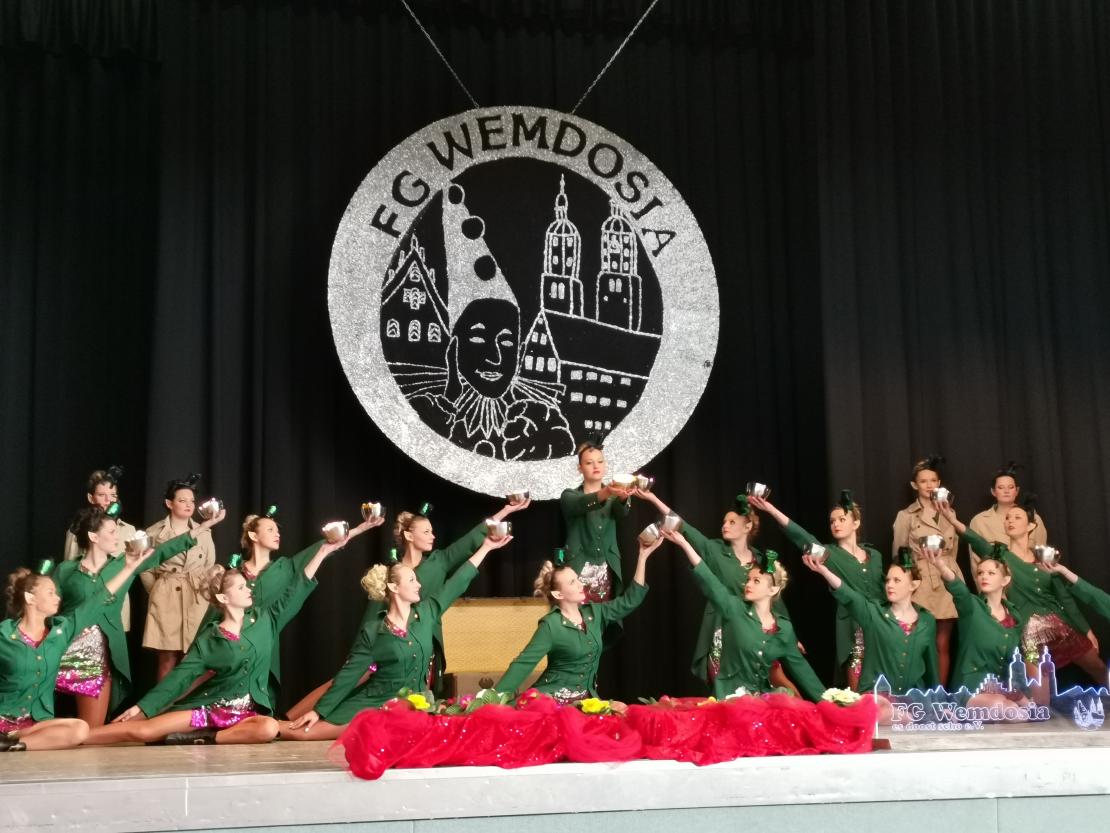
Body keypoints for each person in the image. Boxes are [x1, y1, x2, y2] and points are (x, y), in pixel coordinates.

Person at [83, 531, 353, 746]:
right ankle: (82, 738)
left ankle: (203, 739)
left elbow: (298, 588)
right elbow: (179, 679)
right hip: (207, 709)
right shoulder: (210, 639)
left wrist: (324, 550)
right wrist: (142, 707)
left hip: (245, 717)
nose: (248, 589)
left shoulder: (264, 620)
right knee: (142, 732)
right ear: (224, 599)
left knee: (269, 728)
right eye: (240, 587)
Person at [285, 498, 530, 720]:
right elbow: (374, 614)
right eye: (426, 531)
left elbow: (472, 540)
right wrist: (362, 650)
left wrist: (506, 510)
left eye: (432, 531)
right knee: (345, 681)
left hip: (422, 640)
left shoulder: (438, 562)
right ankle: (291, 719)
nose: (433, 536)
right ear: (409, 536)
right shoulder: (394, 573)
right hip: (386, 643)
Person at [53, 505, 226, 726]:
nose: (118, 536)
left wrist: (203, 527)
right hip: (63, 650)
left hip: (98, 657)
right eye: (112, 532)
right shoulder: (66, 570)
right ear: (93, 536)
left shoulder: (123, 564)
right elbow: (48, 610)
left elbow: (163, 551)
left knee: (91, 728)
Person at [639, 489, 793, 691]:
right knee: (724, 684)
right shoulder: (715, 550)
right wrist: (652, 498)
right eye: (724, 522)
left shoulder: (760, 560)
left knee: (763, 683)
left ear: (747, 526)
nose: (725, 526)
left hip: (753, 631)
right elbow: (683, 526)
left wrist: (790, 635)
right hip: (723, 626)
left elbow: (774, 597)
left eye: (732, 522)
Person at [935, 497, 1104, 681]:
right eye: (1007, 518)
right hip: (1027, 633)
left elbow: (1065, 599)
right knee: (1038, 681)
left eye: (1017, 517)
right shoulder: (1001, 555)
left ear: (1031, 526)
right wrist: (952, 521)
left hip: (1059, 627)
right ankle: (1039, 706)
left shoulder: (1043, 559)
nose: (1010, 521)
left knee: (1098, 668)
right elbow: (976, 541)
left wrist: (1086, 630)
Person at [0, 548, 153, 752]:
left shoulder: (60, 631)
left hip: (35, 726)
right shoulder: (4, 635)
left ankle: (14, 745)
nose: (57, 598)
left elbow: (97, 601)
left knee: (80, 729)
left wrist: (129, 568)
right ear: (30, 598)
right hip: (3, 718)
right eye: (50, 593)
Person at [494, 538, 661, 702]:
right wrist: (491, 699)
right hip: (550, 701)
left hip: (586, 701)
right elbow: (523, 664)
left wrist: (642, 556)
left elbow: (630, 601)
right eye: (573, 582)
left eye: (578, 579)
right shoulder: (551, 625)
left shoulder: (596, 613)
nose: (581, 584)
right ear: (558, 594)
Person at [664, 528, 823, 700]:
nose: (748, 584)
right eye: (748, 579)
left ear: (773, 589)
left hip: (762, 703)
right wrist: (685, 545)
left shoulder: (784, 628)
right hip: (729, 701)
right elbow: (710, 581)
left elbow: (804, 673)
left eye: (756, 581)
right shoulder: (734, 609)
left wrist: (832, 703)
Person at [751, 491, 883, 690]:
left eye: (841, 519)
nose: (836, 524)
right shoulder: (831, 554)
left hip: (881, 626)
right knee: (858, 689)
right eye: (832, 521)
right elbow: (800, 536)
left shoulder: (875, 555)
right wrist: (770, 509)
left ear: (855, 523)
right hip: (853, 630)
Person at [802, 548, 939, 700]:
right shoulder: (874, 613)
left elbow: (931, 670)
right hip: (877, 701)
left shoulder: (927, 621)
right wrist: (824, 572)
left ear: (913, 585)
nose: (889, 585)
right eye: (887, 580)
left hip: (914, 702)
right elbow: (848, 595)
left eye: (897, 580)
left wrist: (937, 704)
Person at [920, 548, 1025, 707]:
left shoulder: (1014, 616)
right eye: (981, 573)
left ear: (1005, 580)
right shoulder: (972, 606)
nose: (984, 576)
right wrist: (941, 566)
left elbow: (1015, 661)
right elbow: (958, 589)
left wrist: (1020, 693)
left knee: (1026, 708)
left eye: (991, 573)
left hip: (1001, 687)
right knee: (1001, 705)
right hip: (971, 687)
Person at [892, 455, 961, 685]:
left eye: (933, 480)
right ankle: (918, 692)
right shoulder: (906, 515)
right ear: (915, 485)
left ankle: (939, 694)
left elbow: (954, 550)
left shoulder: (949, 512)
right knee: (921, 641)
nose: (929, 485)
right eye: (923, 481)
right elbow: (899, 554)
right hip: (920, 583)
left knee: (943, 643)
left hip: (946, 581)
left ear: (939, 483)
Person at [141, 474, 217, 680]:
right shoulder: (154, 533)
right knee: (166, 658)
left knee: (193, 658)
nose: (188, 505)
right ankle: (160, 709)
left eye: (192, 501)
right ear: (169, 503)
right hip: (166, 596)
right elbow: (145, 567)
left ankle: (188, 710)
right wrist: (157, 590)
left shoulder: (204, 532)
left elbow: (209, 565)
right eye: (182, 500)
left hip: (196, 596)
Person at [62, 467, 137, 633]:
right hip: (85, 606)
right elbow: (68, 571)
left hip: (115, 605)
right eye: (102, 495)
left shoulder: (128, 530)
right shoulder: (76, 531)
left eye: (113, 496)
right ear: (91, 497)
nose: (108, 500)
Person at [559, 440, 634, 605]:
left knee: (602, 618)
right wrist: (607, 491)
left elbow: (622, 511)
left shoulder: (613, 497)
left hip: (605, 570)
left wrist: (623, 496)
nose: (596, 466)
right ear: (580, 468)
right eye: (589, 462)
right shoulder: (569, 496)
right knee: (576, 619)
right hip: (578, 569)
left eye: (600, 461)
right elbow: (581, 504)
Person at [968, 462, 1048, 571]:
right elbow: (975, 561)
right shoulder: (979, 522)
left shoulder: (1033, 518)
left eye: (1011, 487)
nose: (1006, 491)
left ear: (1017, 491)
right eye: (1001, 487)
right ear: (993, 491)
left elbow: (1042, 555)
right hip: (997, 582)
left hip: (1028, 579)